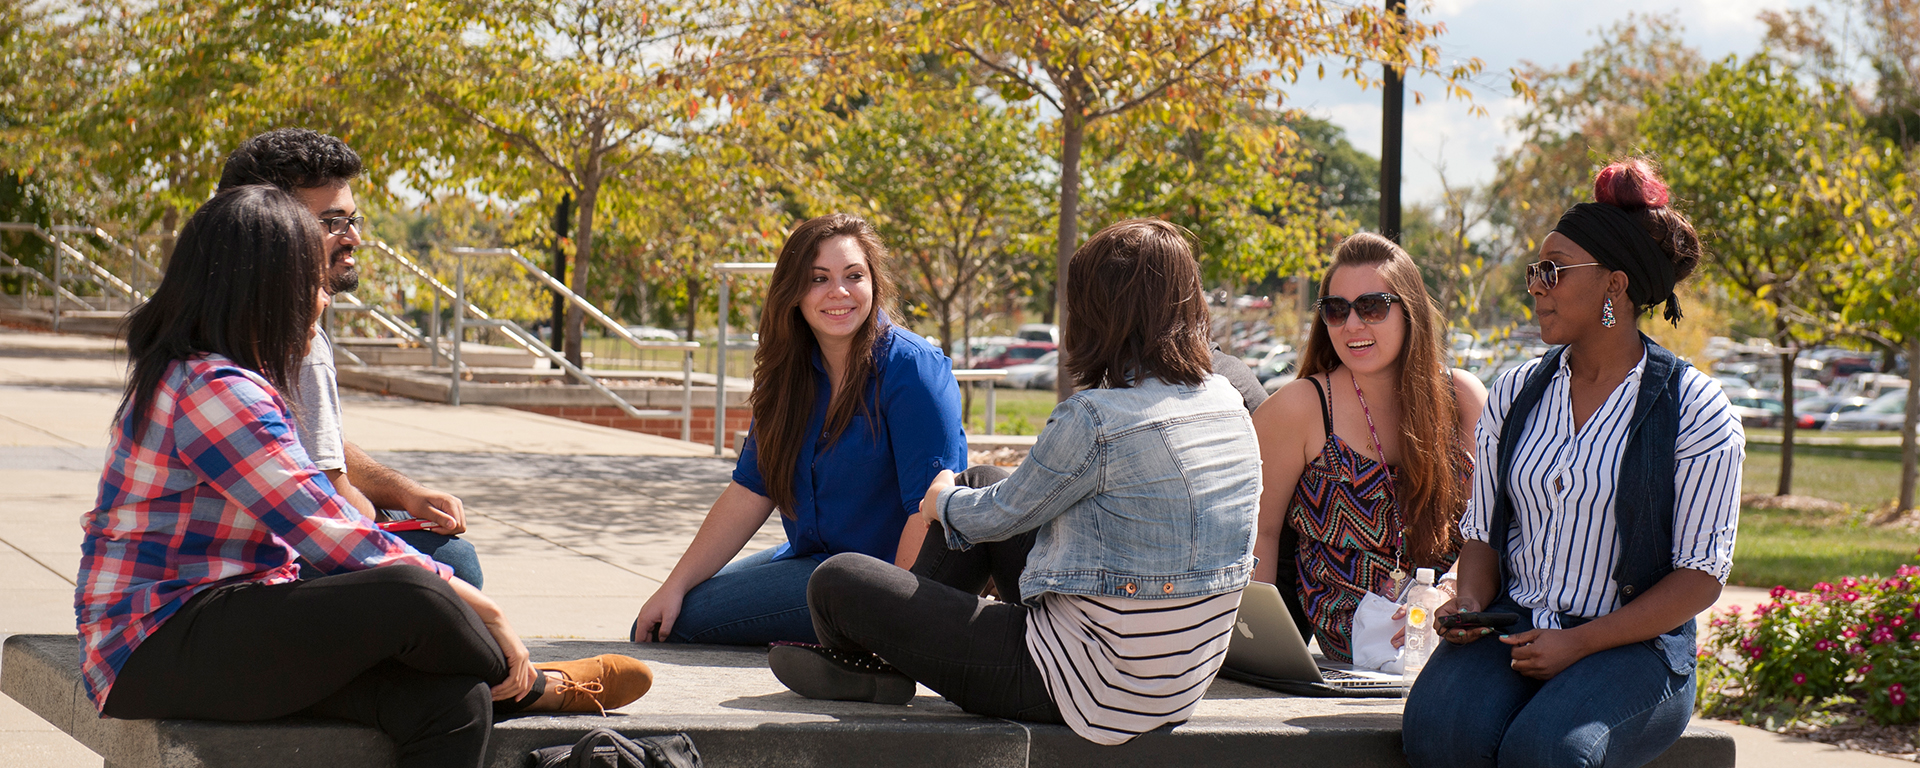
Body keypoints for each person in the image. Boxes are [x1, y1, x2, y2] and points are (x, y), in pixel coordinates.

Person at [78, 185, 651, 768]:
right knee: (416, 592)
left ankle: (511, 681)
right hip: (154, 643)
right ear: (264, 290)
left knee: (455, 704)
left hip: (229, 618)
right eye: (312, 280)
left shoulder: (223, 377)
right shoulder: (216, 390)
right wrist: (490, 613)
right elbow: (325, 530)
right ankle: (535, 687)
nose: (324, 298)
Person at [767, 218, 1262, 746]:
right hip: (1179, 683)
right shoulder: (1228, 402)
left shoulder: (1095, 418)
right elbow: (1011, 501)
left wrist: (940, 500)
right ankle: (887, 662)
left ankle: (877, 666)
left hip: (1081, 685)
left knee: (837, 581)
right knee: (982, 478)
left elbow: (995, 516)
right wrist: (964, 495)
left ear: (1100, 312)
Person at [1401, 159, 1743, 768]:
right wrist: (1474, 603)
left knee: (1546, 752)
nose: (1535, 284)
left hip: (1636, 651)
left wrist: (1580, 642)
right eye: (1536, 270)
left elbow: (1700, 576)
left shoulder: (1694, 408)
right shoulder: (1516, 391)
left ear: (1614, 286)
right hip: (1517, 624)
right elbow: (1482, 531)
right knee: (1437, 732)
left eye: (1552, 271)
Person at [631, 213, 967, 645]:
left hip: (878, 576)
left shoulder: (910, 369)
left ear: (873, 283)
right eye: (818, 278)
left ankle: (849, 637)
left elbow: (927, 512)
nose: (839, 292)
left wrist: (892, 627)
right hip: (811, 558)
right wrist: (672, 585)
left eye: (853, 275)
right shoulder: (789, 372)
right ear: (793, 292)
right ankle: (828, 635)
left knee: (685, 626)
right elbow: (751, 490)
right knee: (663, 618)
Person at [216, 128, 483, 587]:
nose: (354, 237)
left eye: (354, 219)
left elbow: (320, 447)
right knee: (455, 564)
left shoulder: (220, 313)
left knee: (424, 539)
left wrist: (407, 494)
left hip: (241, 558)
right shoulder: (289, 338)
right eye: (334, 222)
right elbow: (327, 499)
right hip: (248, 574)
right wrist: (379, 515)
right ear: (273, 225)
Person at [1250, 232, 1485, 663]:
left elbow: (1489, 531)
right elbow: (1258, 537)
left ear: (1409, 310)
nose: (1353, 324)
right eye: (1336, 311)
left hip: (1452, 639)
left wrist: (1451, 593)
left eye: (1372, 307)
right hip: (1349, 658)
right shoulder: (1301, 407)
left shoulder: (1461, 398)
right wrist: (1266, 659)